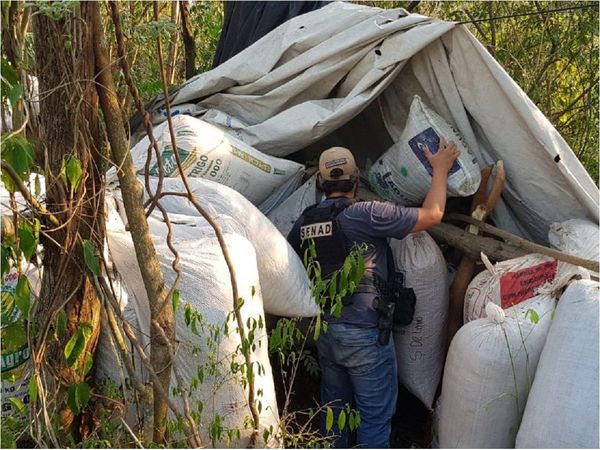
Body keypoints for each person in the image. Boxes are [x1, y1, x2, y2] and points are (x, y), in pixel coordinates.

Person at [287, 139, 459, 448]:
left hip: (326, 331)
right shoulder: (366, 214)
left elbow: (290, 267)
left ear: (320, 182)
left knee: (335, 415)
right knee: (374, 422)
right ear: (356, 180)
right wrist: (441, 169)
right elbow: (432, 214)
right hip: (366, 333)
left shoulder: (305, 222)